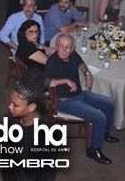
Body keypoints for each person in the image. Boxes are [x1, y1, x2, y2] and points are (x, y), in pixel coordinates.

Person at [0, 69, 57, 181]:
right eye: (11, 102)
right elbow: (0, 148)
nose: (10, 107)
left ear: (31, 107)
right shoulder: (11, 119)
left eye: (15, 105)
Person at [43, 33, 118, 164]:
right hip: (64, 101)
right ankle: (94, 149)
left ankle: (104, 133)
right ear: (56, 46)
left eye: (68, 47)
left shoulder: (73, 55)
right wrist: (65, 80)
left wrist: (87, 73)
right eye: (60, 46)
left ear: (72, 48)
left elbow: (81, 63)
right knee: (99, 116)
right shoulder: (52, 62)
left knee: (110, 103)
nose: (64, 50)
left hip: (79, 94)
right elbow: (45, 82)